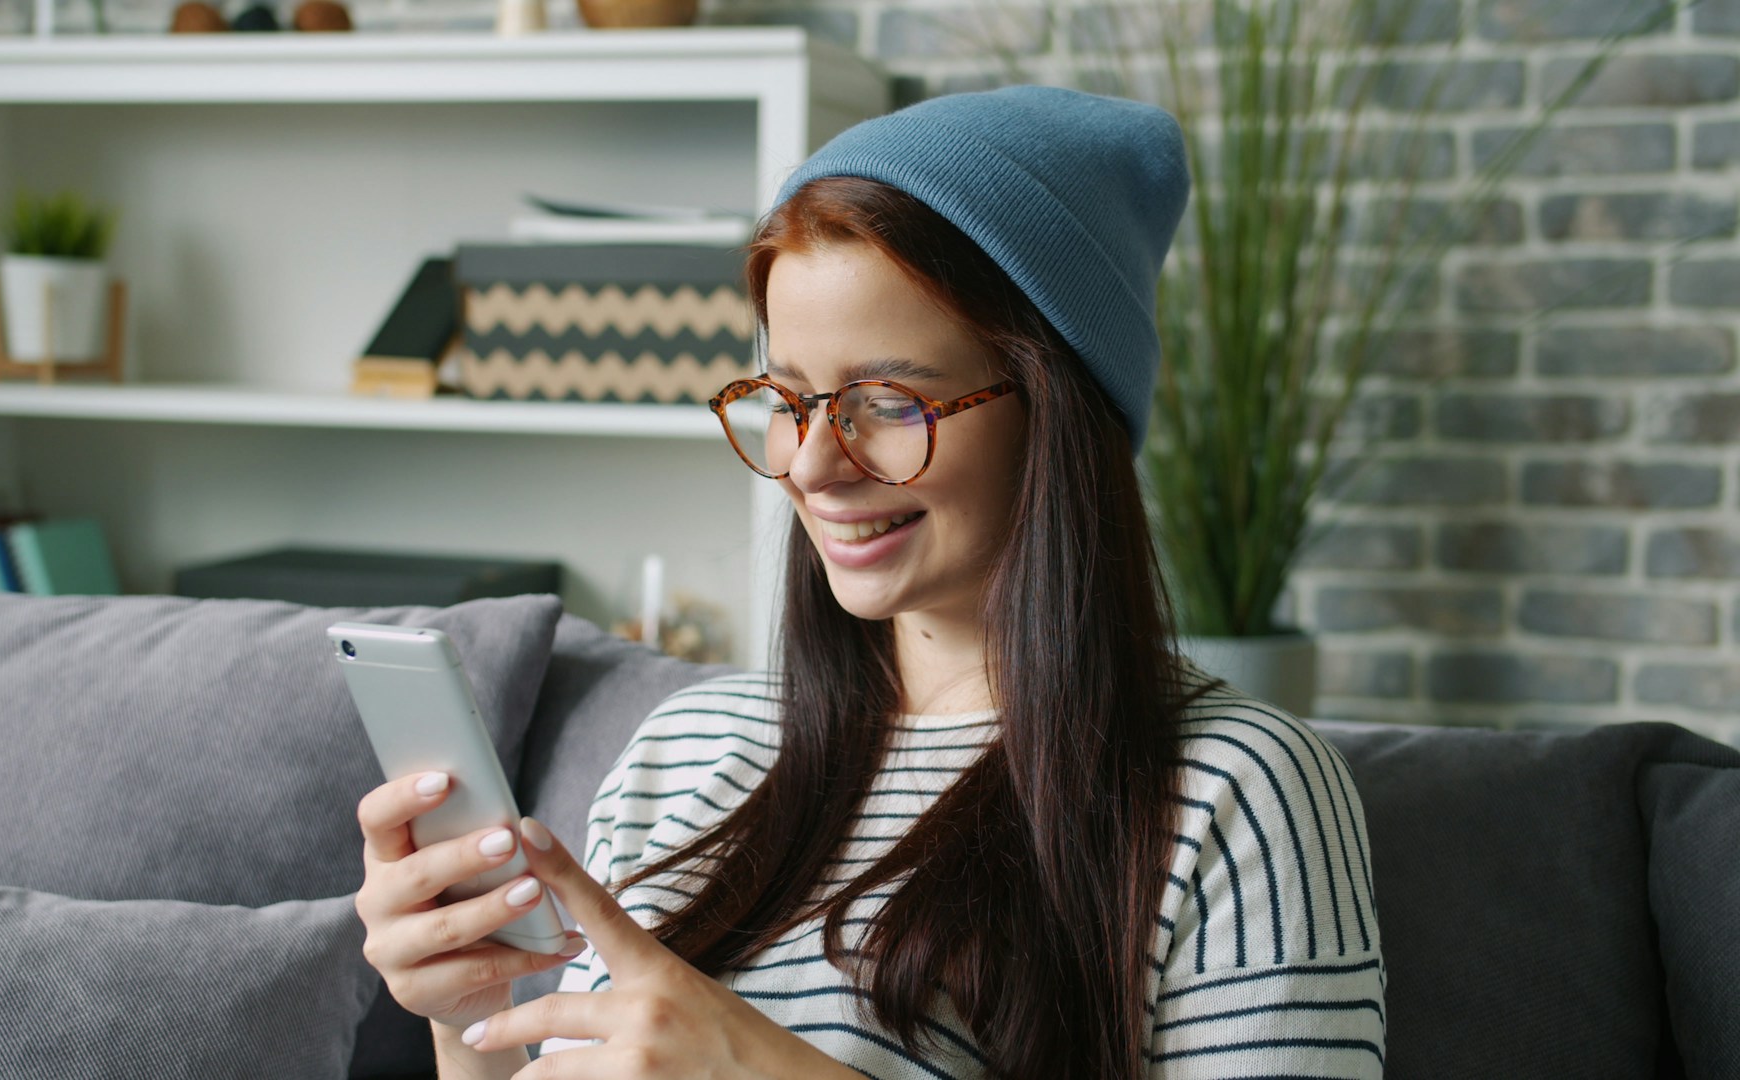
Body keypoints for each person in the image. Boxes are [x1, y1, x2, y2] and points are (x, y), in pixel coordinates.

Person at [353, 85, 1386, 1080]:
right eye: (789, 397)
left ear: (1058, 412)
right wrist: (474, 1019)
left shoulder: (1233, 793)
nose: (811, 465)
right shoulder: (685, 751)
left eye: (887, 401)